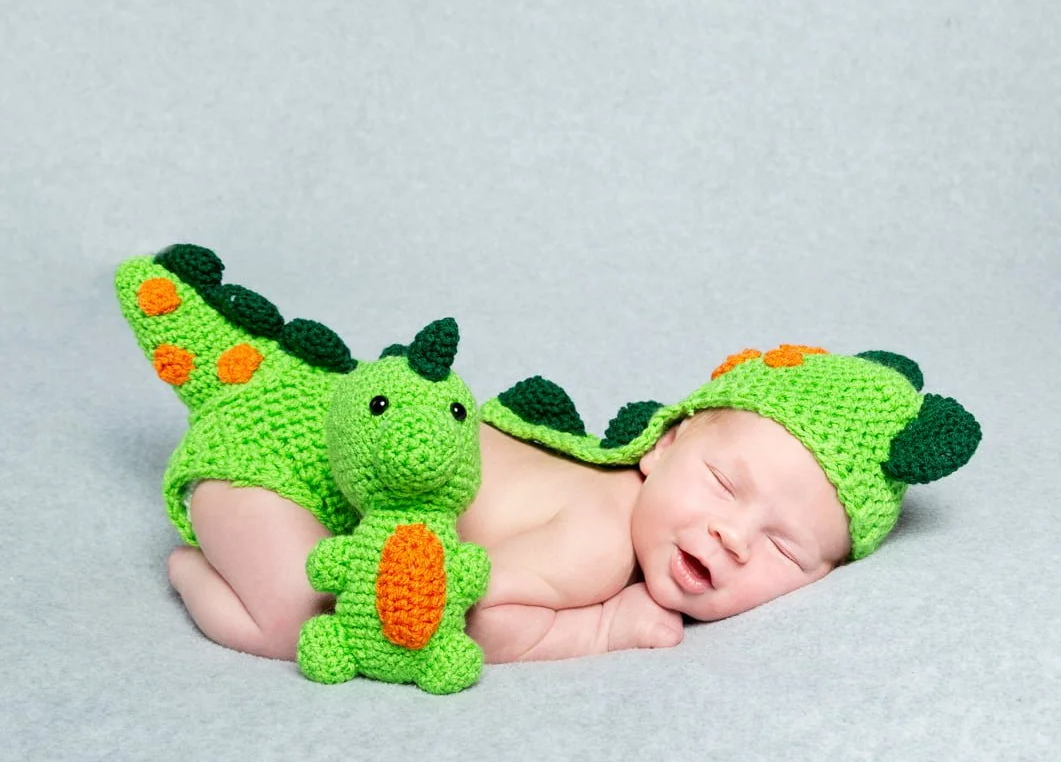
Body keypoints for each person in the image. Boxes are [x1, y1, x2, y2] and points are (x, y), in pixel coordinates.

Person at [116, 245, 982, 665]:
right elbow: (458, 612)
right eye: (725, 483)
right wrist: (598, 627)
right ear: (664, 444)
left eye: (787, 549)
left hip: (317, 440)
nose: (730, 538)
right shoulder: (598, 545)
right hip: (272, 456)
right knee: (297, 618)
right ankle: (193, 567)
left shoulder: (624, 499)